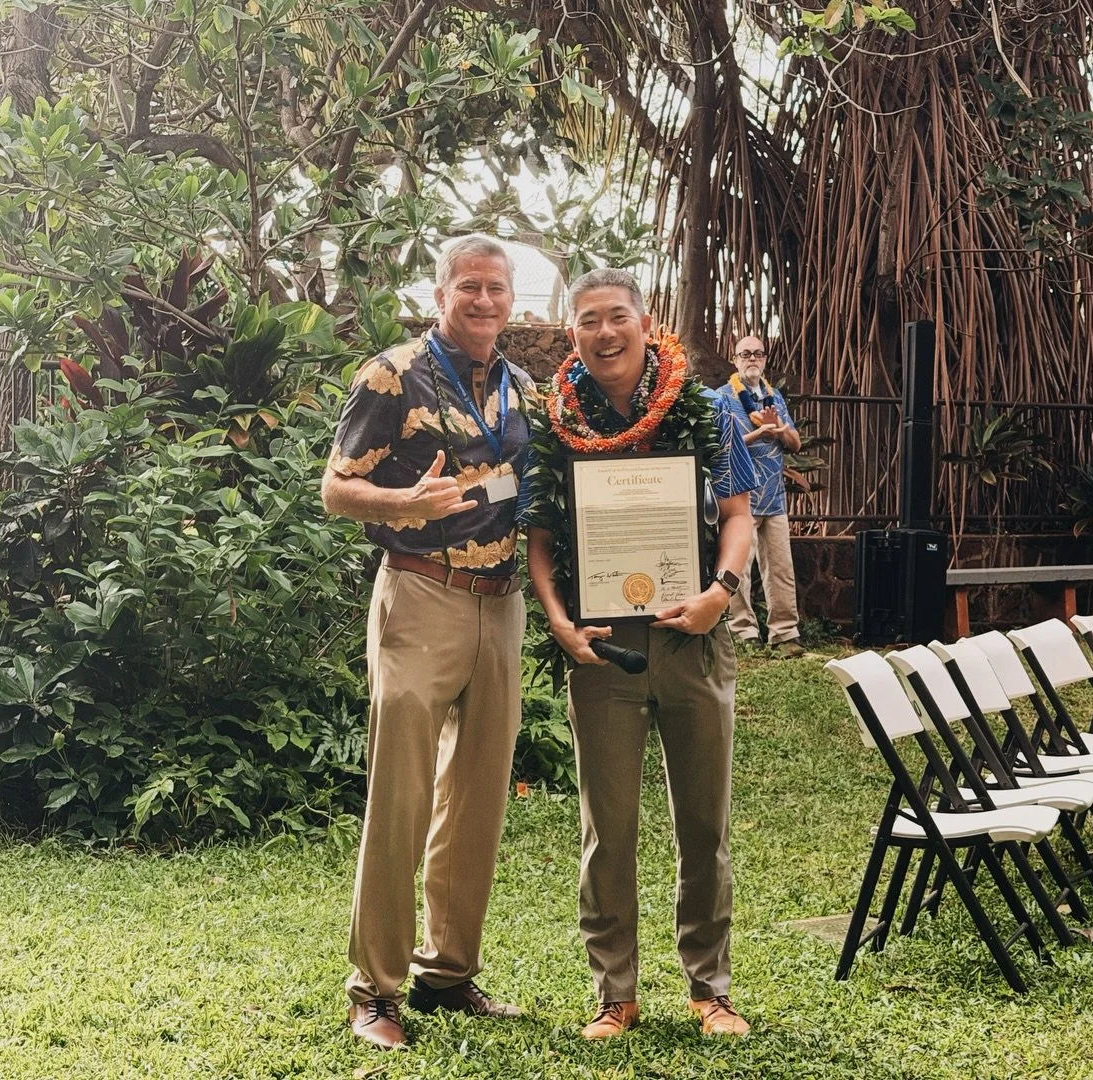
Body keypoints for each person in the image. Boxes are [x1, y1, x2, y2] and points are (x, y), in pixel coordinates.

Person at [519, 268, 757, 1039]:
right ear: (572, 334)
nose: (604, 333)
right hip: (602, 651)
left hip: (693, 637)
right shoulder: (555, 420)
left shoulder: (708, 410)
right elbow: (542, 536)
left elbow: (739, 515)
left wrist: (720, 592)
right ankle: (613, 993)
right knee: (607, 827)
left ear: (645, 321)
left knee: (704, 824)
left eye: (616, 316)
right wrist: (557, 620)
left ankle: (710, 988)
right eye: (588, 321)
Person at [321, 236, 537, 1051]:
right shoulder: (393, 373)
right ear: (440, 292)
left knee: (477, 798)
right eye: (469, 287)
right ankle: (373, 990)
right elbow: (335, 489)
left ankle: (446, 973)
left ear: (511, 300)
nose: (484, 301)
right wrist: (403, 501)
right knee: (403, 796)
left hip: (501, 602)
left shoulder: (523, 390)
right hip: (420, 594)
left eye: (496, 289)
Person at [715, 335, 804, 657]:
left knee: (781, 567)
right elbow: (722, 446)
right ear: (735, 359)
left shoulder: (774, 397)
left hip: (774, 498)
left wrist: (780, 429)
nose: (752, 359)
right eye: (745, 354)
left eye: (758, 354)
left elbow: (795, 444)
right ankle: (743, 633)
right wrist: (759, 433)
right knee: (739, 567)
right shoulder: (723, 398)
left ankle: (785, 634)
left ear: (765, 359)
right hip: (741, 497)